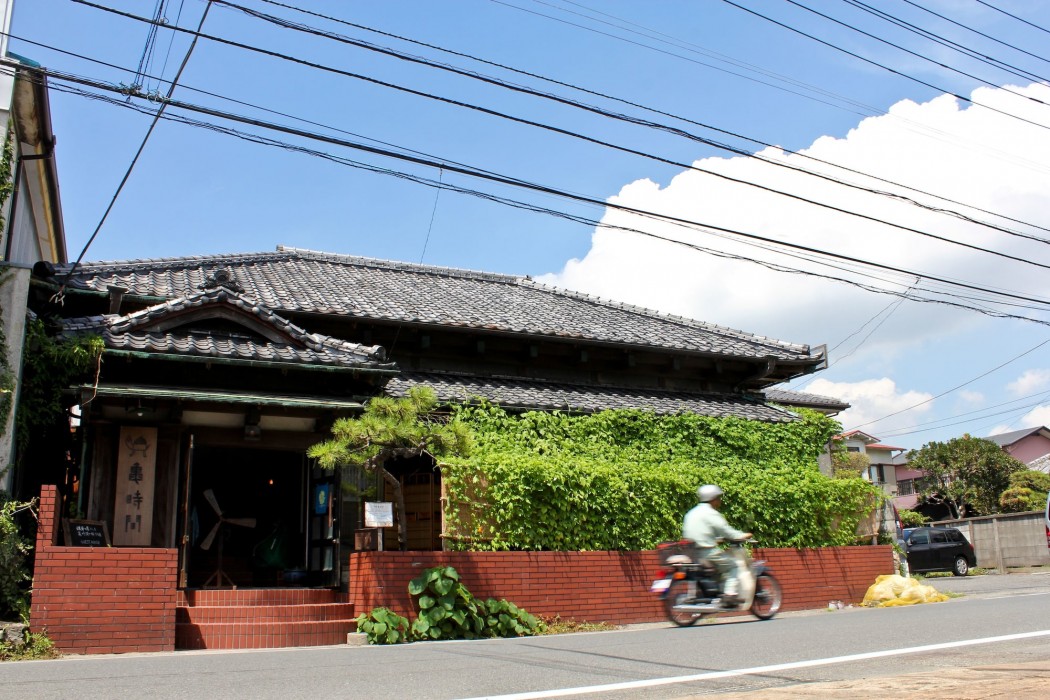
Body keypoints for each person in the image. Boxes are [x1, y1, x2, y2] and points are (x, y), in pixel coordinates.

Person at [682, 484, 752, 604]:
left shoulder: (691, 513)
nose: (719, 501)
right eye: (718, 498)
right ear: (713, 498)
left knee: (718, 571)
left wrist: (715, 540)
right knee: (733, 566)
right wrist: (741, 535)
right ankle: (729, 594)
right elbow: (725, 530)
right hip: (707, 552)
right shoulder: (711, 513)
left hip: (692, 553)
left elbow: (699, 533)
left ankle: (716, 593)